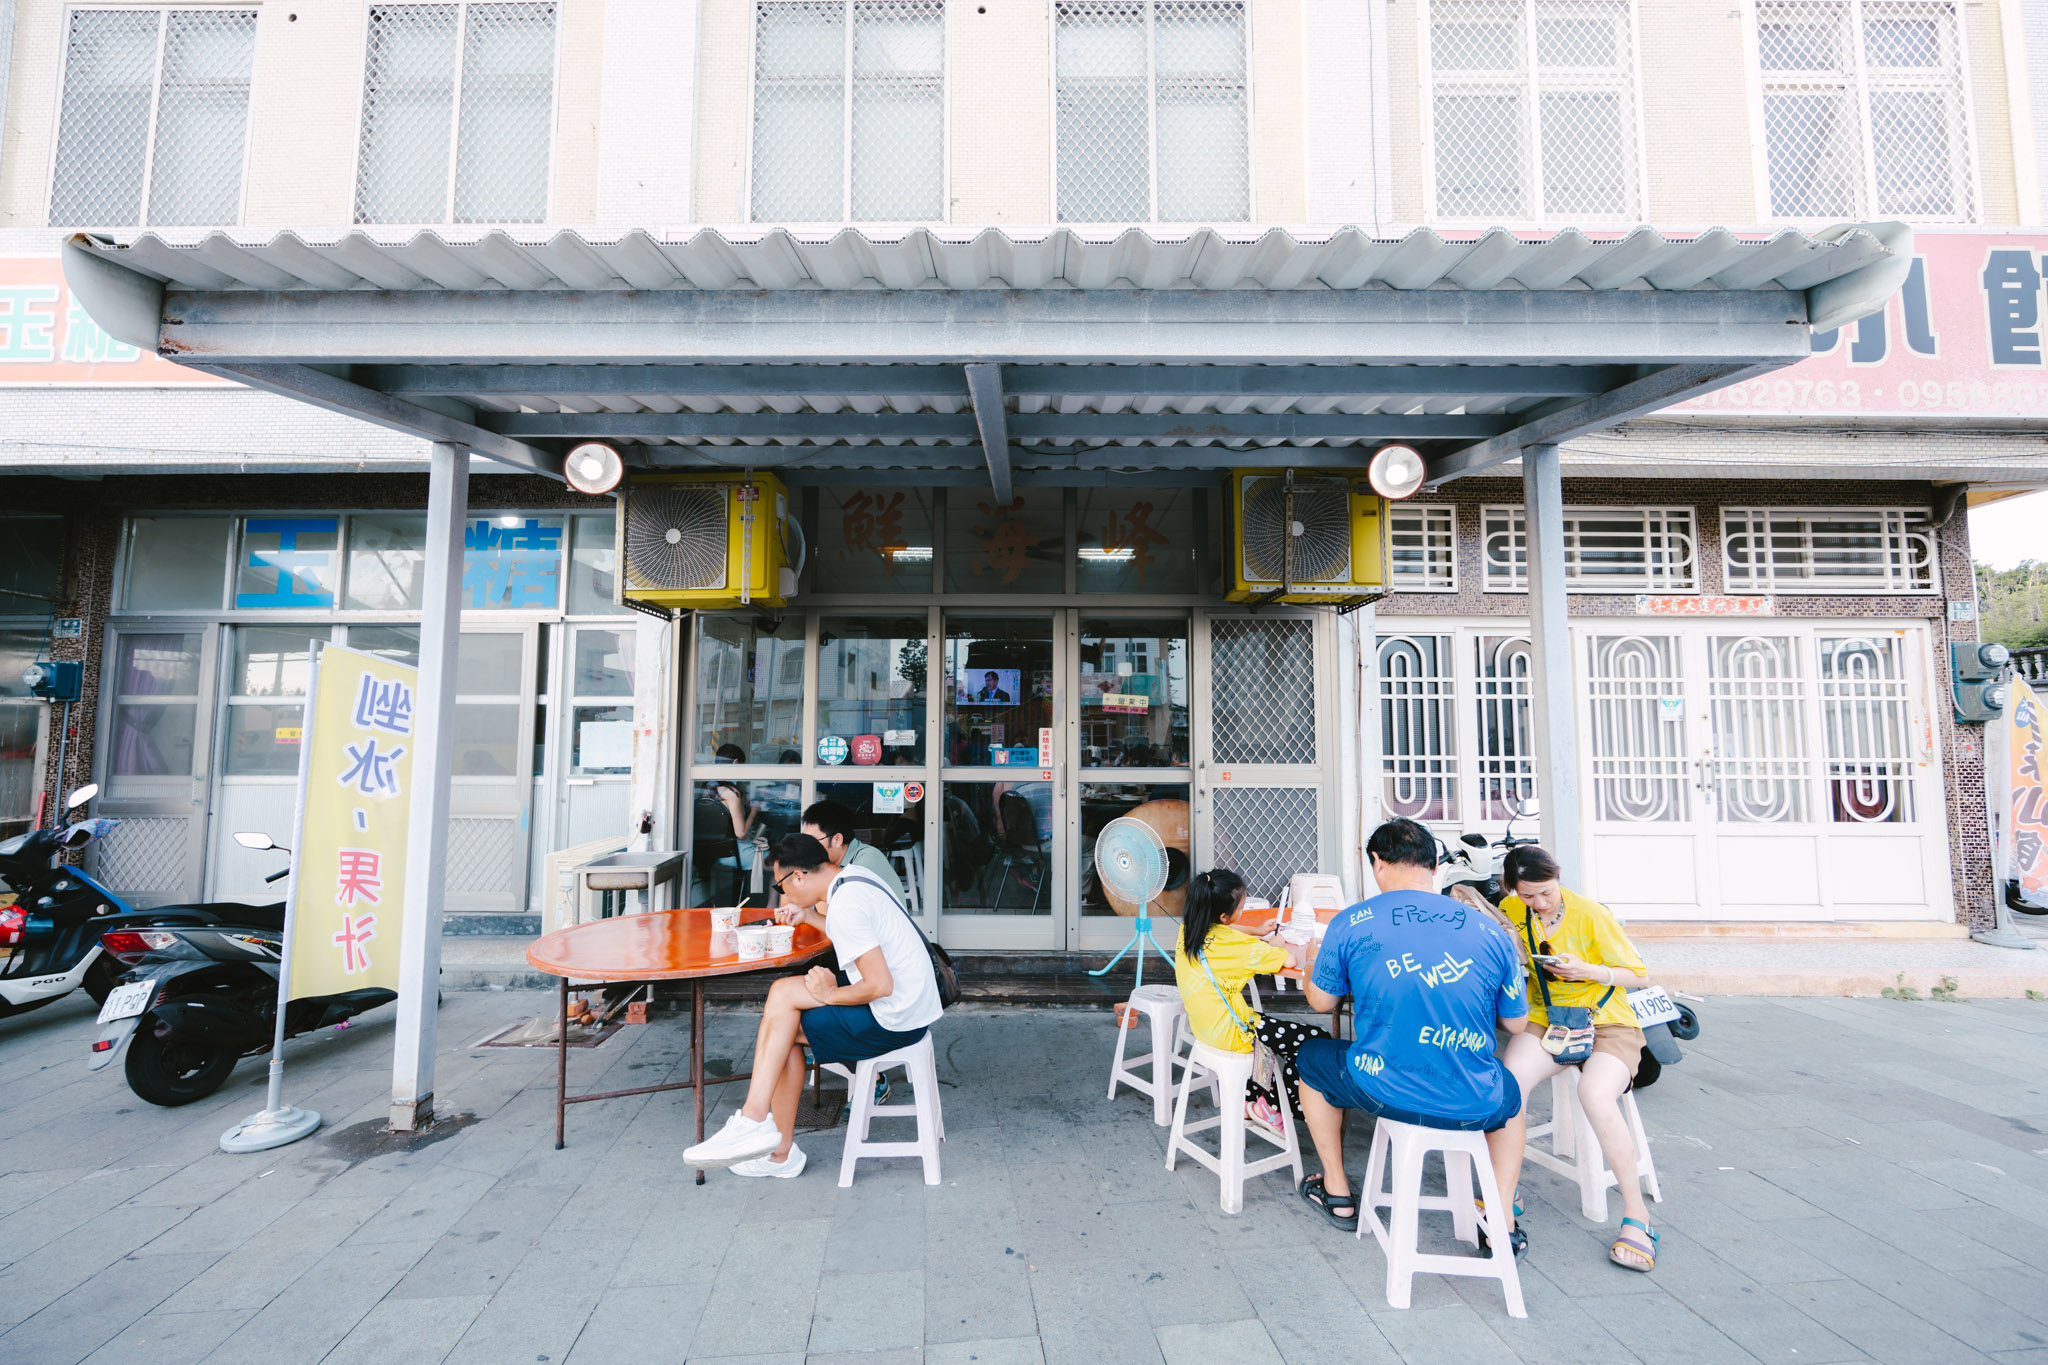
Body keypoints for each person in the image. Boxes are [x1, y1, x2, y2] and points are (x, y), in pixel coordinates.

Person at [1293, 817, 1529, 1245]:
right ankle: (1501, 1218)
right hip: (1474, 1099)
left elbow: (1322, 1003)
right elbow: (1515, 1023)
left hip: (1381, 1088)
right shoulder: (1489, 930)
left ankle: (1337, 1190)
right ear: (1436, 864)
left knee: (1312, 1058)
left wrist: (1311, 961)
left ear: (1377, 864)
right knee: (1508, 1092)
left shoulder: (1351, 922)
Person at [682, 833, 944, 1178]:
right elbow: (854, 933)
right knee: (783, 996)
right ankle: (759, 1126)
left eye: (783, 886)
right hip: (912, 1003)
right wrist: (807, 915)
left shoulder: (847, 904)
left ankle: (767, 1137)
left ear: (799, 876)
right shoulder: (853, 877)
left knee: (785, 1030)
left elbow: (880, 984)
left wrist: (830, 995)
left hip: (894, 1018)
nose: (784, 894)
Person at [1495, 844, 1660, 1272]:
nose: (1540, 903)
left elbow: (1639, 974)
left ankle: (1637, 1216)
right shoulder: (1511, 908)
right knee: (1508, 1084)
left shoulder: (1591, 914)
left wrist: (1587, 970)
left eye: (1546, 892)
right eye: (1528, 895)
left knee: (1596, 1094)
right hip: (1548, 1019)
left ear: (1558, 878)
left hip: (1606, 1021)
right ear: (1513, 890)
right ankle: (1504, 1191)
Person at [1171, 868, 1318, 1128]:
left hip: (1205, 1029)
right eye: (1242, 906)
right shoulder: (1241, 948)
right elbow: (1291, 959)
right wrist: (1278, 942)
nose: (1244, 909)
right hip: (1234, 1032)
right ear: (1224, 915)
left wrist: (1254, 929)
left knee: (1272, 1032)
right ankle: (1271, 1107)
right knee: (1313, 1039)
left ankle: (1248, 1100)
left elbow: (1224, 928)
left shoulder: (1189, 929)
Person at [801, 799, 902, 898]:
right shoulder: (837, 863)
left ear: (837, 840)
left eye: (812, 841)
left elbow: (837, 913)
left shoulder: (865, 862)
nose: (807, 847)